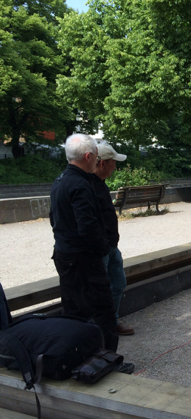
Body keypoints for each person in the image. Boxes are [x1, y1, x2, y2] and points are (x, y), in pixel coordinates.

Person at [49, 134, 119, 351]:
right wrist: (103, 248)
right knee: (103, 310)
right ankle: (107, 359)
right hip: (84, 258)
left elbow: (54, 218)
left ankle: (76, 356)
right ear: (88, 157)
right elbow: (88, 226)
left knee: (73, 311)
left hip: (64, 255)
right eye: (96, 157)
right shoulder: (81, 184)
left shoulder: (59, 181)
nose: (97, 162)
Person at [92, 142, 134, 336]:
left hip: (111, 246)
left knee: (118, 283)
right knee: (100, 289)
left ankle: (111, 320)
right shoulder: (88, 186)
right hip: (101, 248)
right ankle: (102, 327)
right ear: (103, 163)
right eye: (113, 163)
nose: (115, 167)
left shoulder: (100, 184)